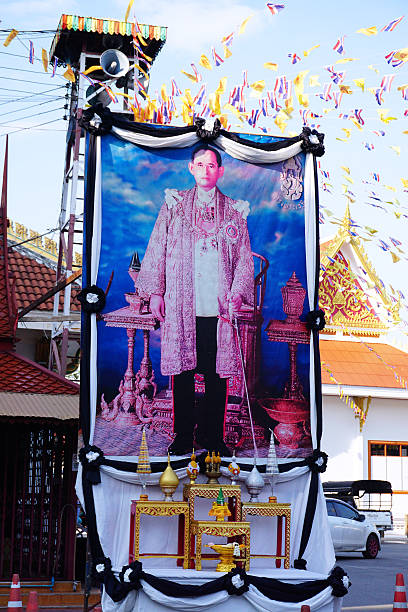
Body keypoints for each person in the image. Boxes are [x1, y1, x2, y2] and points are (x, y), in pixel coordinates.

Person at [136, 144, 254, 455]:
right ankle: (184, 435)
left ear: (220, 171)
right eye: (199, 165)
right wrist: (158, 292)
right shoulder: (174, 205)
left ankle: (213, 438)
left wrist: (239, 292)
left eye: (211, 165)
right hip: (181, 304)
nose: (205, 170)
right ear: (191, 168)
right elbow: (158, 246)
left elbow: (244, 258)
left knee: (216, 376)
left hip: (218, 307)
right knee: (183, 374)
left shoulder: (233, 211)